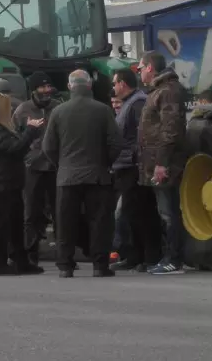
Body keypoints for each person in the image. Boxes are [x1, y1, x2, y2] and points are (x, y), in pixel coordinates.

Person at [42, 70, 121, 278]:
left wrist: (62, 164)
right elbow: (116, 143)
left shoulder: (58, 112)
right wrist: (105, 163)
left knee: (66, 222)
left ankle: (65, 266)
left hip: (67, 177)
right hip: (98, 175)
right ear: (89, 86)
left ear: (69, 87)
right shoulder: (103, 110)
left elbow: (48, 146)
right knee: (100, 222)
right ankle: (99, 266)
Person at [0, 92, 43, 277]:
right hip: (1, 183)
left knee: (15, 223)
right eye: (8, 106)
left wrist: (24, 131)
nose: (11, 109)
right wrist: (30, 130)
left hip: (7, 182)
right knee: (3, 224)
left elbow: (13, 145)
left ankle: (21, 261)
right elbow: (16, 149)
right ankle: (0, 264)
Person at [137, 51, 188, 275]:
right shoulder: (159, 91)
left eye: (139, 68)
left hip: (164, 164)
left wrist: (162, 163)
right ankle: (167, 257)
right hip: (155, 162)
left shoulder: (167, 92)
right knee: (163, 211)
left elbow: (170, 130)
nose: (139, 73)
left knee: (168, 212)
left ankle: (174, 259)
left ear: (149, 68)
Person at [110, 69, 161, 273]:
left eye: (115, 83)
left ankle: (147, 256)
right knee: (131, 214)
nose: (113, 87)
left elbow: (143, 135)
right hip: (125, 165)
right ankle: (135, 256)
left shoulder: (137, 102)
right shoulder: (130, 103)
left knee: (140, 213)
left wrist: (133, 157)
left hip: (133, 167)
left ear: (123, 83)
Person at [13, 71, 59, 265]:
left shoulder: (59, 108)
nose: (46, 90)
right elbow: (15, 138)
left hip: (55, 167)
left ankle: (64, 255)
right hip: (32, 168)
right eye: (42, 87)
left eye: (48, 86)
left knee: (60, 212)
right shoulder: (22, 110)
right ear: (34, 89)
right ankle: (31, 254)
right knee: (31, 212)